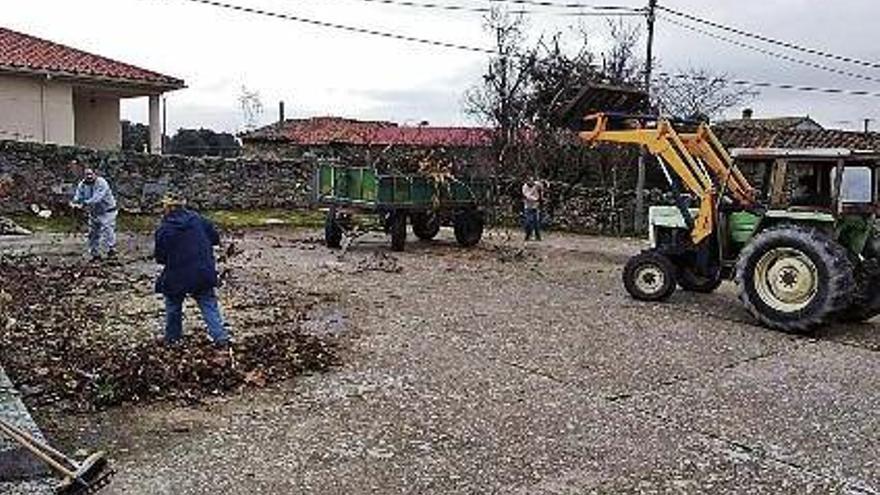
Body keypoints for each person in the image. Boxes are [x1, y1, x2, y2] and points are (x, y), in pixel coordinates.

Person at [154, 194, 229, 347]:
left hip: (177, 274)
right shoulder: (198, 220)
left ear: (167, 208)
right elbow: (215, 238)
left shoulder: (165, 228)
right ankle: (221, 338)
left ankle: (173, 340)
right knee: (208, 304)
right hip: (202, 271)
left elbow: (160, 257)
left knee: (173, 305)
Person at [70, 165, 118, 260]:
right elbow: (78, 196)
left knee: (107, 230)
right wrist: (74, 202)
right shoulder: (82, 184)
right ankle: (95, 253)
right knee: (93, 233)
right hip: (94, 212)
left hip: (107, 212)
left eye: (90, 174)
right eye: (86, 174)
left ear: (95, 174)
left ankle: (111, 251)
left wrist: (83, 204)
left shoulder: (102, 183)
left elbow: (97, 198)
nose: (89, 176)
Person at [522, 177, 547, 241]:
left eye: (532, 181)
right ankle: (527, 235)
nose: (532, 183)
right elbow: (528, 197)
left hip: (535, 207)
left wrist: (541, 193)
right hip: (528, 207)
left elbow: (543, 187)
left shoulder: (536, 184)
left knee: (536, 223)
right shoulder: (525, 187)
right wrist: (537, 199)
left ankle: (538, 237)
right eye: (530, 181)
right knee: (529, 221)